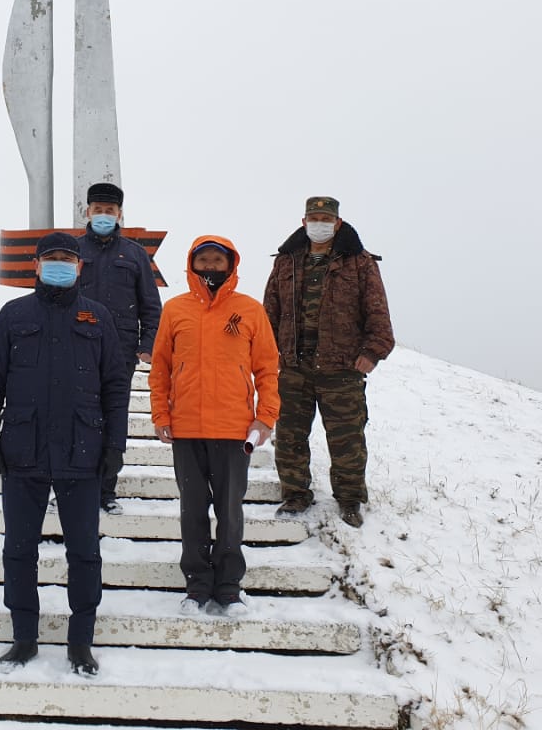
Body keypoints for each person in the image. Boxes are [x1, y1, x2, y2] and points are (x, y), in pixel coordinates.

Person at [0, 231, 130, 677]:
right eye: (51, 258)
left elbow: (116, 387)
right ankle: (24, 637)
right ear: (37, 266)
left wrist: (114, 446)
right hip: (23, 451)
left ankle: (81, 641)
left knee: (84, 553)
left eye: (68, 258)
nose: (59, 265)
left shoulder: (97, 318)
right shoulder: (14, 314)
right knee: (19, 551)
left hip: (83, 454)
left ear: (79, 267)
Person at [149, 235, 279, 617]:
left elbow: (267, 369)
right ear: (192, 263)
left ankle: (228, 587)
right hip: (187, 428)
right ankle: (197, 584)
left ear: (230, 264)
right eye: (202, 259)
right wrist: (161, 415)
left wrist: (265, 416)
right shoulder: (175, 310)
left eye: (216, 260)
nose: (209, 266)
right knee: (192, 511)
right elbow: (160, 369)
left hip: (233, 429)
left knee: (229, 510)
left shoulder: (249, 310)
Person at [263, 196, 395, 529]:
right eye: (313, 217)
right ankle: (295, 494)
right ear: (303, 221)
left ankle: (350, 499)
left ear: (337, 223)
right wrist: (269, 352)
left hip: (342, 369)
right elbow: (270, 312)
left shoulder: (360, 262)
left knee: (347, 439)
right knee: (290, 435)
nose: (318, 223)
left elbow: (377, 312)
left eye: (325, 218)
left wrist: (372, 352)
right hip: (293, 366)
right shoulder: (286, 262)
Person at [75, 181, 162, 515]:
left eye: (109, 211)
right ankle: (75, 484)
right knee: (76, 417)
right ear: (88, 212)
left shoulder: (135, 255)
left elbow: (151, 306)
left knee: (113, 417)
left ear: (119, 214)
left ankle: (106, 489)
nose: (103, 215)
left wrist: (147, 344)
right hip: (75, 347)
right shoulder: (73, 251)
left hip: (119, 352)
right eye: (98, 210)